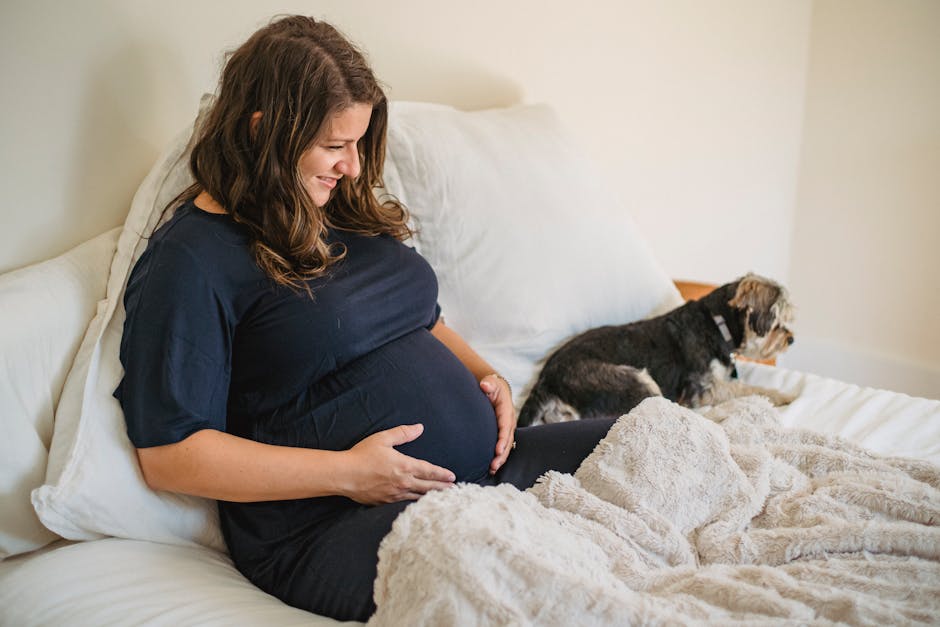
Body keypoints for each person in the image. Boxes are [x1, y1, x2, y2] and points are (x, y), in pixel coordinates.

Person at [115, 15, 615, 622]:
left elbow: (420, 320)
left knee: (658, 436)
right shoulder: (192, 258)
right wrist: (348, 473)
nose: (353, 166)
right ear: (263, 130)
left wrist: (491, 379)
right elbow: (170, 455)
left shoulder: (338, 204)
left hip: (486, 473)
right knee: (506, 576)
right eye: (334, 145)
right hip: (332, 526)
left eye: (358, 143)